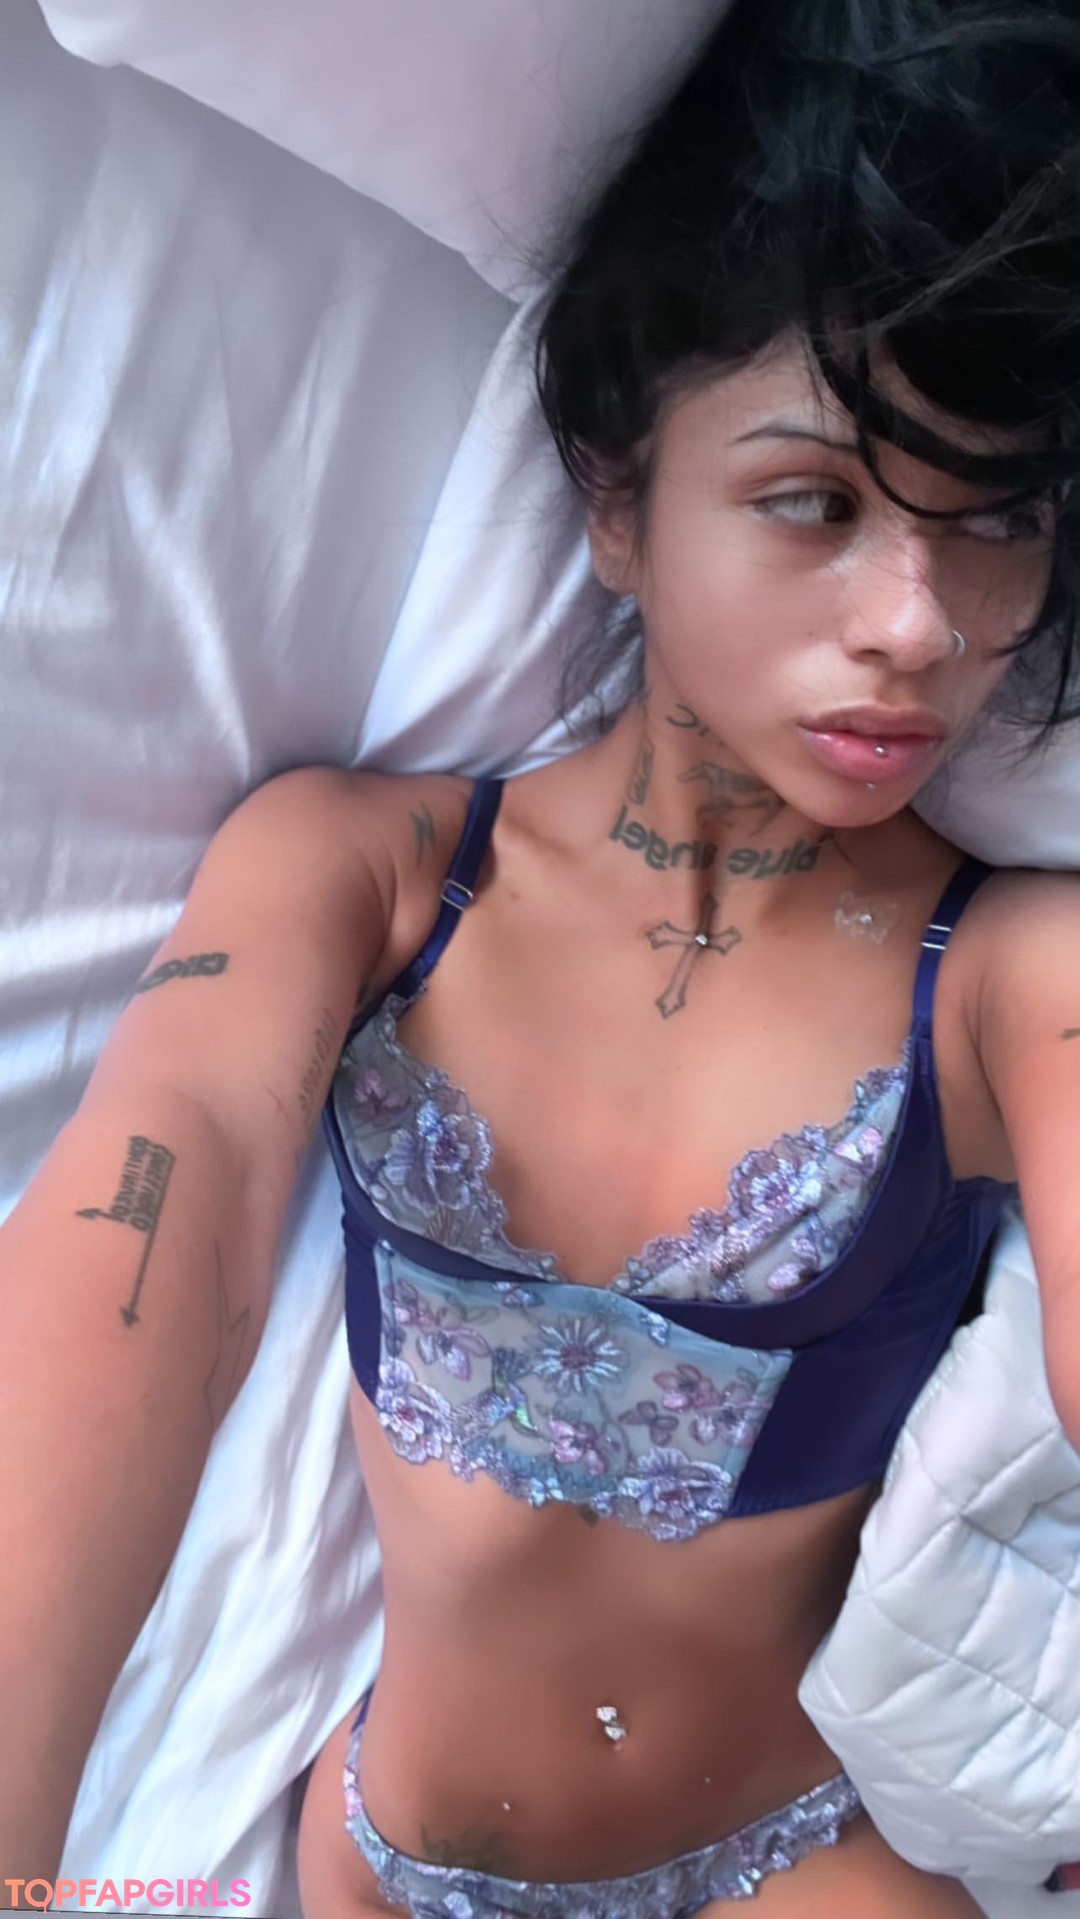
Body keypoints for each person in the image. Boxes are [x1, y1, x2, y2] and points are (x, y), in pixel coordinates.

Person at [4, 0, 1080, 1912]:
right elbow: (150, 1231)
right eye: (815, 501)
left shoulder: (1015, 979)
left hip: (787, 1870)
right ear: (615, 500)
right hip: (370, 1857)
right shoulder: (364, 873)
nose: (921, 623)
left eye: (994, 518)